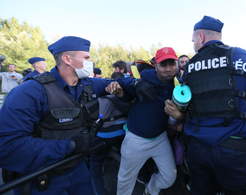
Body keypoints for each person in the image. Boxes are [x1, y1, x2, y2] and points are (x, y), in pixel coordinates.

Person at [0, 36, 155, 195]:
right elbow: (6, 147)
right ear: (68, 59)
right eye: (86, 58)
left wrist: (135, 83)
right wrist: (70, 145)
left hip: (77, 168)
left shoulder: (88, 84)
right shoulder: (31, 91)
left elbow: (117, 82)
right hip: (42, 177)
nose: (90, 62)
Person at [164, 15, 246, 194]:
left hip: (198, 148)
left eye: (193, 41)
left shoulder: (190, 67)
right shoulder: (245, 56)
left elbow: (187, 104)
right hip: (234, 147)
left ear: (201, 38)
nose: (193, 45)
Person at [108, 47, 179, 195]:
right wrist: (136, 83)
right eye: (163, 65)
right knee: (125, 180)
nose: (168, 69)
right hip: (135, 139)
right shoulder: (146, 75)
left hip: (160, 138)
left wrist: (178, 115)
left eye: (171, 64)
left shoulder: (179, 84)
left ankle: (150, 191)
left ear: (177, 64)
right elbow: (119, 80)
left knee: (169, 177)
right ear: (156, 65)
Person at [89, 72, 129, 195]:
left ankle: (100, 192)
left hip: (105, 135)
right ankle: (143, 176)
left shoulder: (97, 96)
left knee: (95, 162)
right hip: (125, 130)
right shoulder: (125, 93)